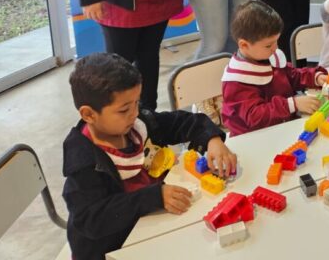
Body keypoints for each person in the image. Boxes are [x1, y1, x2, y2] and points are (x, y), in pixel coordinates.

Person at [62, 52, 237, 260]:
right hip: (114, 248)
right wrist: (153, 197)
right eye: (124, 109)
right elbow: (93, 218)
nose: (135, 113)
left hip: (156, 226)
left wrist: (212, 140)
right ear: (89, 114)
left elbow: (183, 122)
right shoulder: (84, 163)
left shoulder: (138, 125)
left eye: (137, 102)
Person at [221, 0, 329, 136]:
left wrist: (315, 77)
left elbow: (292, 75)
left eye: (276, 41)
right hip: (254, 136)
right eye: (269, 45)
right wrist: (293, 104)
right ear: (244, 45)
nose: (275, 48)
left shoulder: (267, 55)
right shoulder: (236, 81)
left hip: (282, 125)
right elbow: (255, 116)